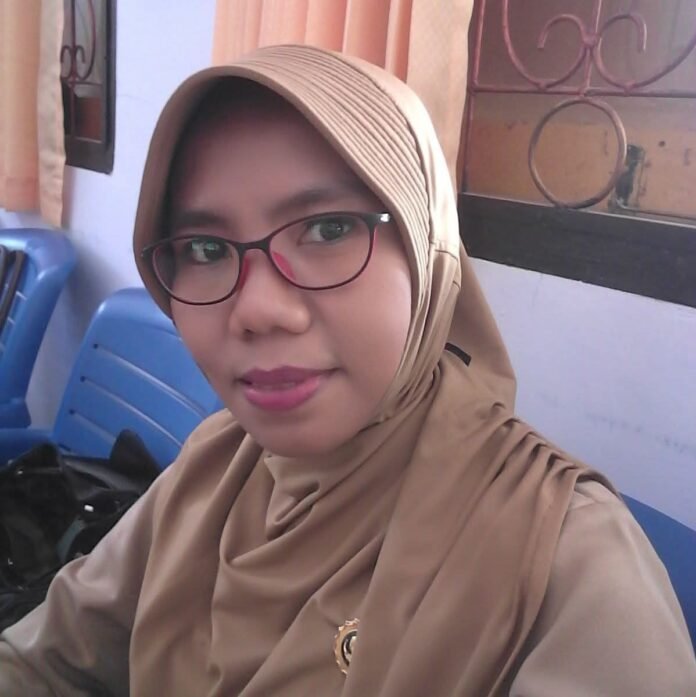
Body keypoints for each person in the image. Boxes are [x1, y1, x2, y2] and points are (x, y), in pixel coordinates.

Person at [1, 44, 694, 696]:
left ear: (426, 250)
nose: (258, 310)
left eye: (328, 229)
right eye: (205, 248)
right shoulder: (215, 467)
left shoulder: (568, 564)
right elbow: (42, 657)